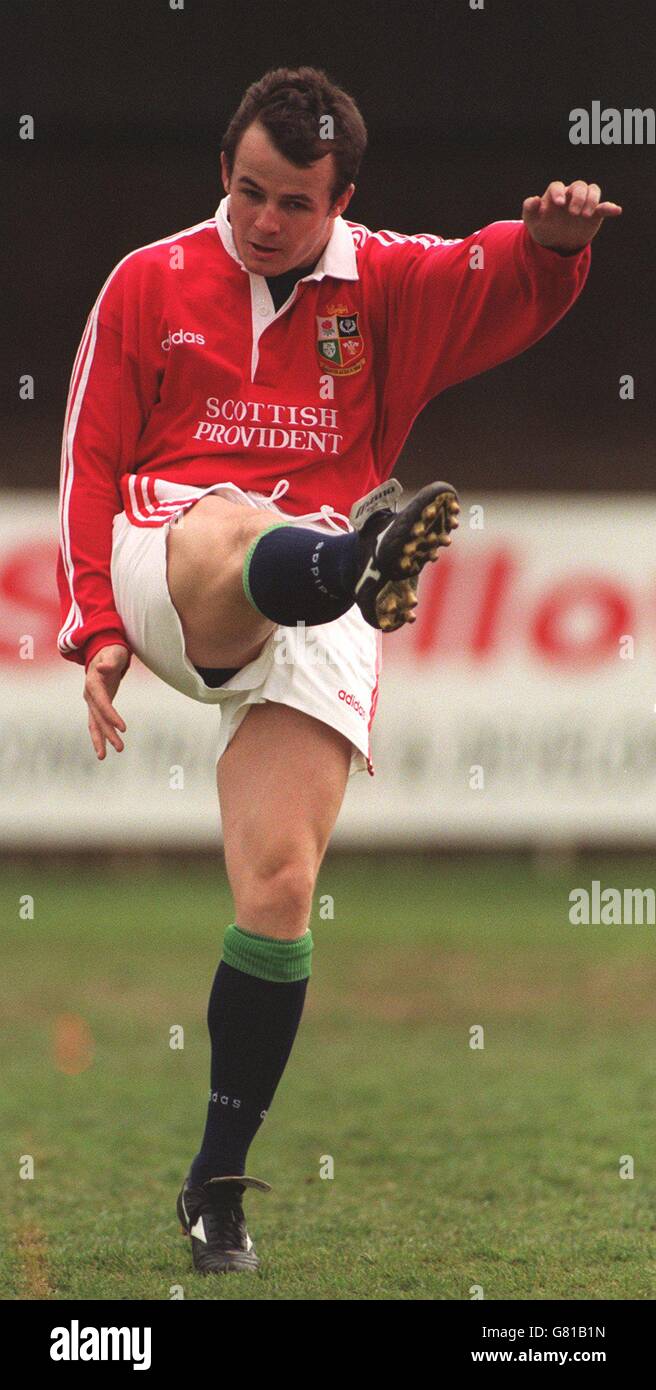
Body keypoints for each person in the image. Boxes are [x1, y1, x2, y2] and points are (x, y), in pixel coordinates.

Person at [56, 65, 621, 1275]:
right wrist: (96, 628)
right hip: (175, 556)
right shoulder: (148, 283)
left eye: (294, 204)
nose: (265, 220)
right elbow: (90, 458)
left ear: (340, 200)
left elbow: (493, 270)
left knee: (274, 890)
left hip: (322, 599)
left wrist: (554, 245)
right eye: (248, 191)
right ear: (223, 170)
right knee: (231, 534)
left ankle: (216, 1186)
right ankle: (351, 557)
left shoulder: (384, 283)